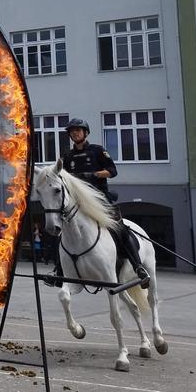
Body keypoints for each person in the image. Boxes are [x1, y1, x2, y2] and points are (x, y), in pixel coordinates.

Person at [62, 117, 150, 288]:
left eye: (78, 130)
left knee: (120, 229)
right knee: (62, 229)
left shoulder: (97, 151)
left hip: (99, 199)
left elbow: (112, 171)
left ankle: (138, 267)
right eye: (72, 131)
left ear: (85, 133)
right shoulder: (68, 156)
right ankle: (60, 269)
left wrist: (94, 174)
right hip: (77, 202)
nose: (75, 133)